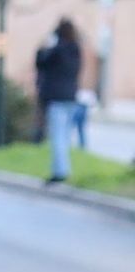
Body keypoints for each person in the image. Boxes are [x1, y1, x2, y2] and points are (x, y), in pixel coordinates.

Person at [36, 18, 83, 184]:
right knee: (64, 136)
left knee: (57, 136)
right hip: (71, 97)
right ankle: (63, 169)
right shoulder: (76, 51)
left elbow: (40, 62)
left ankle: (60, 172)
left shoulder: (57, 51)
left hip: (56, 99)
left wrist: (44, 46)